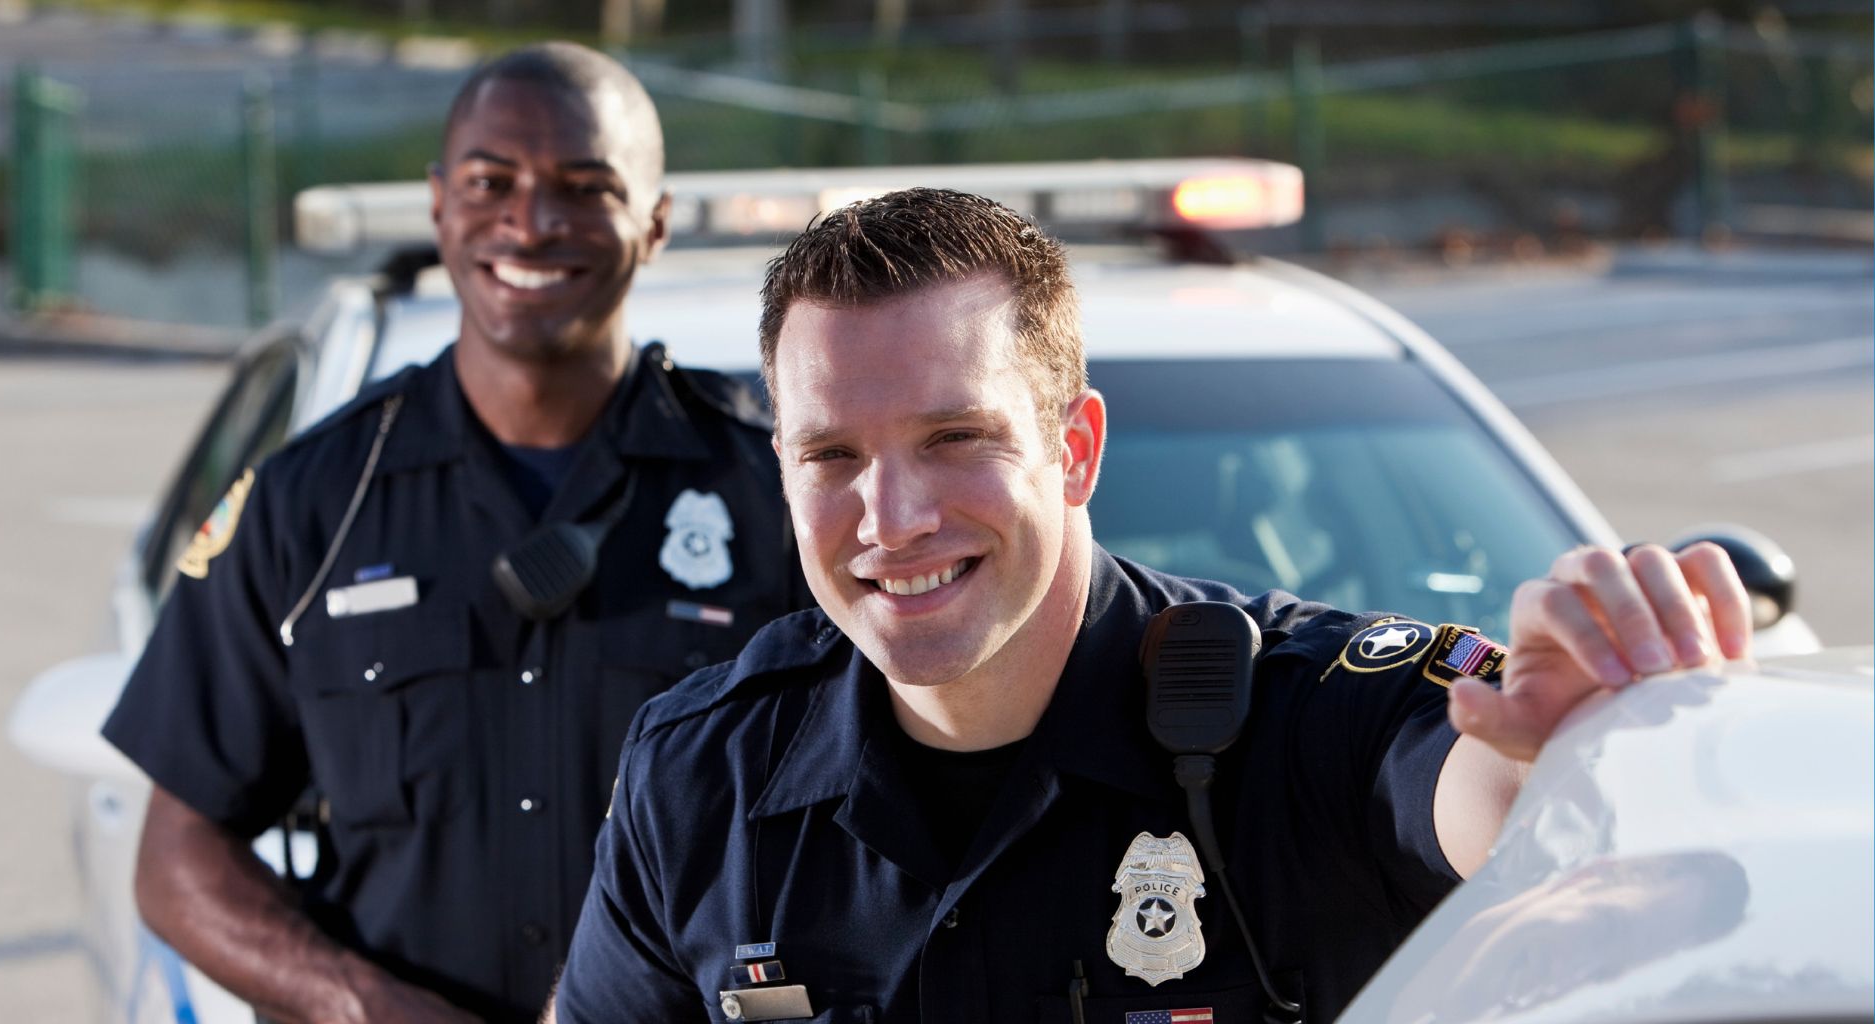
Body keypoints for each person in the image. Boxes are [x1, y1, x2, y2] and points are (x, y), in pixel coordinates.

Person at [548, 188, 1753, 1024]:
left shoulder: (1299, 722)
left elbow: (1480, 784)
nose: (891, 514)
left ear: (1074, 450)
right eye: (831, 457)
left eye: (954, 436)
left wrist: (1569, 748)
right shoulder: (699, 774)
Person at [102, 42, 809, 1024]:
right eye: (491, 181)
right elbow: (178, 858)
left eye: (584, 184)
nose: (531, 220)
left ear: (653, 223)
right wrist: (367, 1008)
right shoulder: (312, 500)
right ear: (438, 205)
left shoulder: (777, 491)